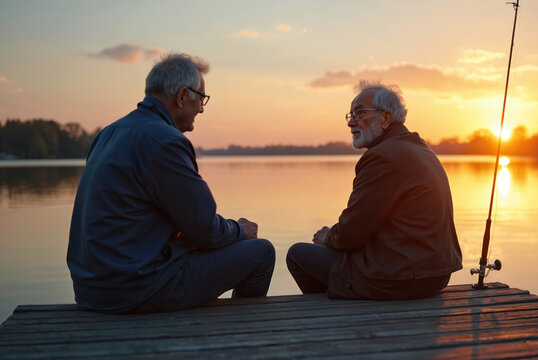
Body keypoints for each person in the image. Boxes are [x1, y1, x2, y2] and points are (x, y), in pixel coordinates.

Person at [67, 53, 275, 313]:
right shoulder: (165, 142)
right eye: (201, 98)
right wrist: (240, 230)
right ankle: (246, 336)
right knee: (260, 252)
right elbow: (205, 230)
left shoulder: (109, 134)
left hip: (91, 288)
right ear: (182, 96)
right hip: (135, 288)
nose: (201, 108)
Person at [286, 81, 462, 300]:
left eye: (359, 113)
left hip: (399, 278)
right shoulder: (419, 148)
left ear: (385, 118)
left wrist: (328, 236)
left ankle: (334, 318)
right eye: (350, 115)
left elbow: (352, 232)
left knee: (298, 255)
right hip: (435, 275)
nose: (351, 123)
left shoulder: (382, 157)